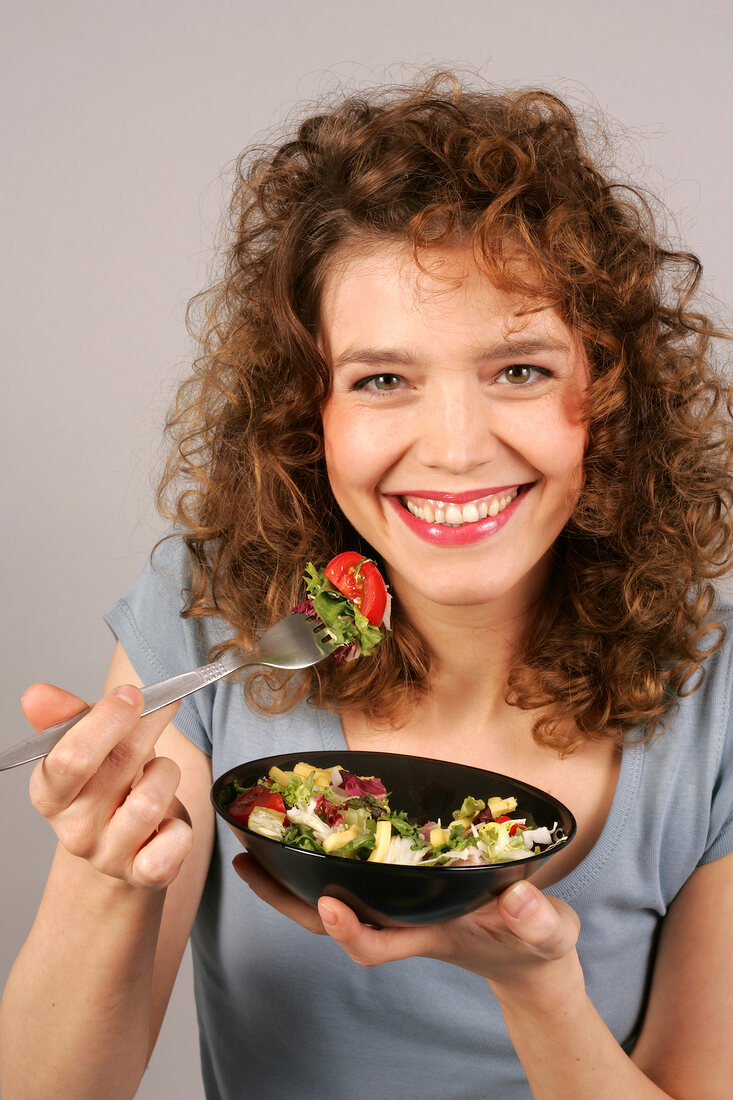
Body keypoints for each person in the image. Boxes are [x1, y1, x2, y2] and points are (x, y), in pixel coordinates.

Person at [1, 72, 731, 1100]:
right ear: (313, 415)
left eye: (517, 369)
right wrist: (102, 870)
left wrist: (535, 987)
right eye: (383, 379)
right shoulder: (213, 616)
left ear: (606, 395)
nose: (455, 447)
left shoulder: (720, 692)